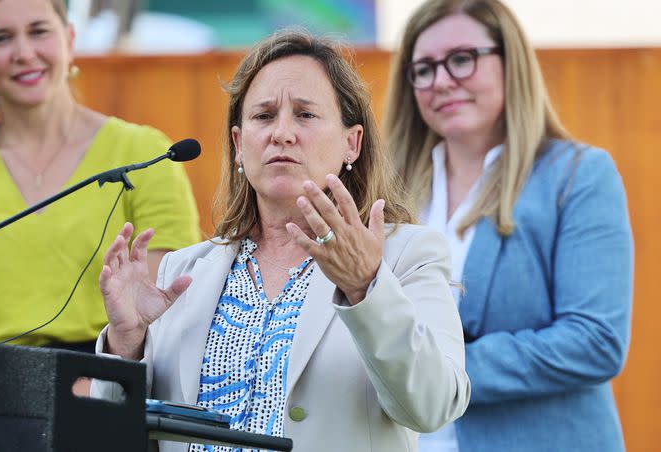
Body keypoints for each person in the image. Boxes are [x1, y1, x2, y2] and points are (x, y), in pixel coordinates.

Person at [91, 29, 471, 451]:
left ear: (352, 143)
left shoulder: (405, 255)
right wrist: (124, 345)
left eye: (305, 115)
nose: (282, 133)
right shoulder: (183, 272)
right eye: (264, 115)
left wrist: (366, 286)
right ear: (238, 145)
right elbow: (113, 437)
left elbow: (434, 406)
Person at [382, 1, 634, 451]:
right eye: (423, 68)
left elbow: (595, 341)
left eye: (461, 59)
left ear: (510, 61)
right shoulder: (389, 196)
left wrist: (441, 370)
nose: (441, 80)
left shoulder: (577, 177)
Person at [0, 0, 200, 350]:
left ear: (69, 39)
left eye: (39, 31)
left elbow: (159, 317)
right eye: (0, 38)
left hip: (115, 377)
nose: (24, 52)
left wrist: (101, 379)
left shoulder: (146, 155)